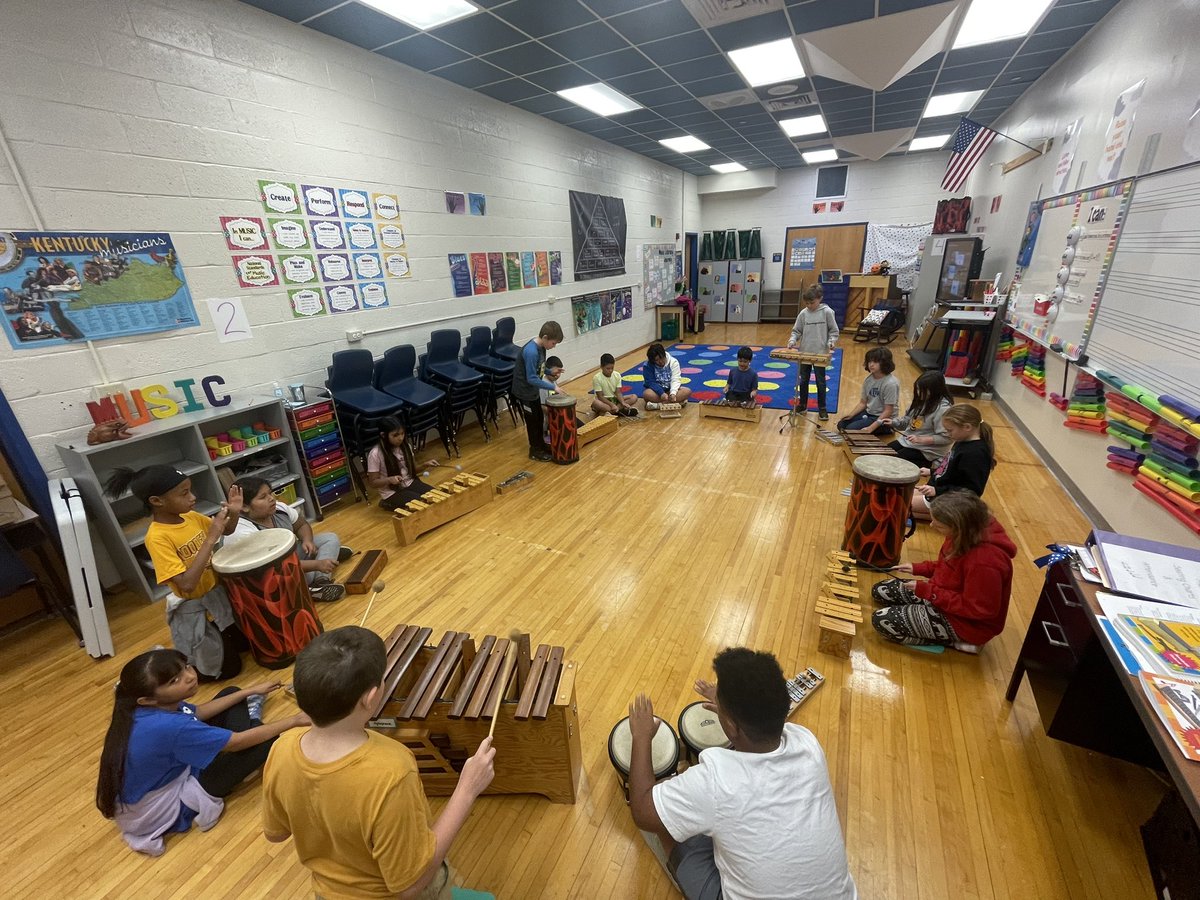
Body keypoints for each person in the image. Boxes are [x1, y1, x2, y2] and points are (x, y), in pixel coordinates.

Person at [263, 626, 496, 900]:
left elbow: (276, 834)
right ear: (371, 697)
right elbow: (411, 885)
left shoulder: (281, 748)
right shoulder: (392, 771)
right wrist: (467, 790)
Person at [627, 647, 857, 900]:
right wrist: (732, 708)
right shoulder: (807, 743)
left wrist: (641, 736)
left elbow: (642, 812)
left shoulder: (717, 780)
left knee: (677, 831)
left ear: (732, 726)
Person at [96, 648, 309, 856]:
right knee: (267, 741)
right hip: (166, 802)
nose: (189, 677)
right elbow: (237, 742)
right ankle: (254, 722)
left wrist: (250, 691)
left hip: (163, 772)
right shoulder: (169, 727)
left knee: (232, 693)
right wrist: (294, 720)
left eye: (185, 667)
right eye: (174, 681)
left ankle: (253, 721)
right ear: (148, 699)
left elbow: (197, 712)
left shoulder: (145, 707)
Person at [105, 466, 247, 681]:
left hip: (217, 599)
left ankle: (214, 640)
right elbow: (187, 585)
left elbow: (226, 530)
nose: (193, 497)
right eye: (184, 493)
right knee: (228, 670)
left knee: (247, 646)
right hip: (195, 608)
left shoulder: (189, 516)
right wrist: (210, 539)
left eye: (190, 490)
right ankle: (177, 662)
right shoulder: (157, 538)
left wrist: (234, 511)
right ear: (156, 501)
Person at [871, 491, 1015, 653]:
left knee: (882, 621)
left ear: (957, 526)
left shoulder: (986, 563)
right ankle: (922, 618)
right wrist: (918, 568)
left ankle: (961, 644)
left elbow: (978, 609)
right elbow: (948, 567)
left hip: (967, 625)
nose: (932, 525)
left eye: (938, 525)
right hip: (944, 597)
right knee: (881, 590)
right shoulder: (965, 534)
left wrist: (928, 591)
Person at [227, 476, 352, 602]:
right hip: (269, 575)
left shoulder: (279, 508)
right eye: (262, 497)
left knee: (330, 538)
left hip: (290, 556)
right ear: (244, 507)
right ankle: (319, 569)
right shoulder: (242, 532)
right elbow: (274, 567)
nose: (271, 499)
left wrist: (306, 540)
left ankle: (321, 581)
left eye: (270, 493)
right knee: (304, 575)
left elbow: (301, 524)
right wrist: (316, 565)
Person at [912, 404, 996, 518]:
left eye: (950, 430)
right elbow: (951, 470)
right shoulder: (962, 440)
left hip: (950, 499)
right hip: (941, 492)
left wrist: (937, 491)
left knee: (898, 507)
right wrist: (931, 471)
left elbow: (971, 491)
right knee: (899, 497)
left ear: (967, 427)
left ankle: (955, 518)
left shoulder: (975, 453)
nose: (947, 434)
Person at [511, 320, 563, 462]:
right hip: (524, 391)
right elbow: (532, 378)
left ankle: (540, 446)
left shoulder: (542, 348)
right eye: (553, 343)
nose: (554, 346)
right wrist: (553, 387)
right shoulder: (531, 351)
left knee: (539, 418)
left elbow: (539, 367)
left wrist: (549, 371)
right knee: (532, 421)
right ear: (545, 337)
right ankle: (534, 450)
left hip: (531, 390)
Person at [786, 285, 839, 421]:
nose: (809, 305)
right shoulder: (803, 313)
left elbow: (833, 331)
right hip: (805, 352)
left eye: (812, 302)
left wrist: (831, 342)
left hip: (820, 353)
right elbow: (797, 331)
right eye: (807, 303)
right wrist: (792, 340)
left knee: (820, 382)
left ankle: (822, 408)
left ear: (820, 299)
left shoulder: (827, 312)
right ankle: (803, 405)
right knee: (803, 380)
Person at [366, 416, 440, 511]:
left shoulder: (406, 447)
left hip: (409, 482)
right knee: (422, 504)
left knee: (435, 496)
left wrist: (425, 465)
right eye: (395, 435)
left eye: (402, 433)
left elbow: (413, 470)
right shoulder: (375, 454)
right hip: (391, 491)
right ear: (383, 435)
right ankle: (388, 503)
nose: (400, 438)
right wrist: (389, 480)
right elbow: (372, 483)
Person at [881, 371, 954, 467]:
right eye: (918, 389)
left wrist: (922, 439)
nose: (919, 393)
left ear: (935, 390)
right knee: (882, 455)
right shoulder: (920, 401)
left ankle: (930, 464)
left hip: (927, 450)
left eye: (923, 390)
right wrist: (893, 423)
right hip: (909, 442)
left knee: (893, 463)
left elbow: (947, 438)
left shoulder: (943, 410)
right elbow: (907, 422)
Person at [836, 346, 899, 435]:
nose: (871, 364)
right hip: (870, 413)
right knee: (841, 425)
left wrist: (871, 428)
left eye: (875, 362)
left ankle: (887, 429)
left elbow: (888, 411)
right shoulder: (869, 379)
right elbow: (863, 403)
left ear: (885, 363)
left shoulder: (890, 384)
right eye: (869, 361)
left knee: (851, 430)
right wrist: (851, 415)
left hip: (884, 418)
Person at [642, 342, 692, 410]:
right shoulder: (647, 365)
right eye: (656, 360)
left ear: (664, 354)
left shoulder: (673, 362)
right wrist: (661, 393)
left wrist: (673, 393)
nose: (660, 362)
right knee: (646, 394)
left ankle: (657, 405)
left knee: (687, 391)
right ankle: (676, 403)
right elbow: (650, 382)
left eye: (661, 358)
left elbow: (676, 379)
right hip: (656, 392)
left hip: (669, 390)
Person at [591, 352, 638, 417]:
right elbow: (600, 396)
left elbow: (618, 392)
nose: (610, 370)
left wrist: (623, 402)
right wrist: (612, 405)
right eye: (608, 368)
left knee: (634, 397)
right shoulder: (597, 378)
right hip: (604, 401)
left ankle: (611, 412)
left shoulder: (617, 375)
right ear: (601, 367)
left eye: (612, 368)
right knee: (596, 403)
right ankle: (618, 411)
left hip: (614, 399)